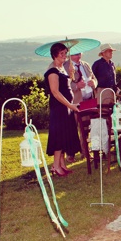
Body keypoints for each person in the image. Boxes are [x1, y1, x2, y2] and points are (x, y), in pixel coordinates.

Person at [44, 43, 80, 176]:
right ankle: (55, 166)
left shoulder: (62, 68)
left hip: (66, 107)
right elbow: (55, 92)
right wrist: (70, 105)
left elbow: (66, 86)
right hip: (59, 108)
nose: (65, 56)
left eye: (65, 53)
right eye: (62, 54)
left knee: (65, 136)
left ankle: (62, 164)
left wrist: (71, 74)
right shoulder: (52, 71)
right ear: (55, 55)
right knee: (58, 137)